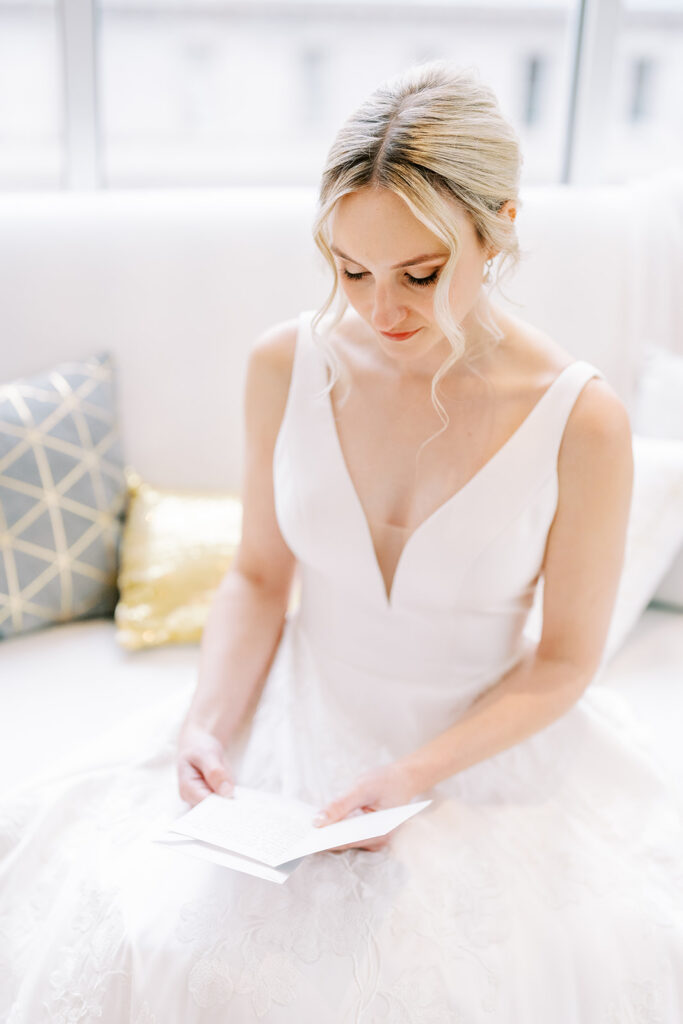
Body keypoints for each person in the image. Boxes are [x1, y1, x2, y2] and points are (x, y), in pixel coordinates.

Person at [2, 60, 683, 1023]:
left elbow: (565, 660)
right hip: (296, 713)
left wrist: (414, 775)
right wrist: (207, 723)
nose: (379, 310)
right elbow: (255, 576)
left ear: (498, 227)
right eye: (350, 269)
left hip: (477, 749)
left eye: (420, 274)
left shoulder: (581, 421)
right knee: (144, 934)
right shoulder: (285, 363)